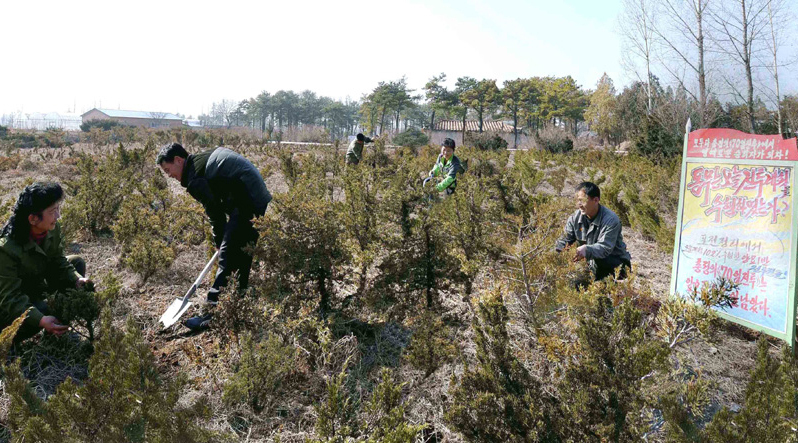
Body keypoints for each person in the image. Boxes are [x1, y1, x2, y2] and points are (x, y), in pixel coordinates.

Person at [157, 143, 272, 331]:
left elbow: (215, 212)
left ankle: (212, 313)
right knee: (242, 251)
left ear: (179, 160)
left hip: (247, 198)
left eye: (168, 170)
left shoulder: (195, 178)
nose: (169, 175)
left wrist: (220, 242)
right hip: (256, 195)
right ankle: (237, 302)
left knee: (228, 255)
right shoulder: (199, 161)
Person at [0, 182, 91, 343]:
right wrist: (41, 319)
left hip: (35, 287)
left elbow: (58, 261)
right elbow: (10, 299)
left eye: (57, 209)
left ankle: (57, 330)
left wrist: (77, 279)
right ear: (33, 219)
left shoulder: (51, 227)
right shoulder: (6, 249)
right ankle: (49, 323)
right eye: (52, 211)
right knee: (46, 309)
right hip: (10, 311)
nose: (58, 216)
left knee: (76, 263)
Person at [555, 181, 632, 283]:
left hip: (614, 263)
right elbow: (564, 241)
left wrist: (586, 250)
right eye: (577, 201)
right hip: (590, 262)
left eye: (582, 201)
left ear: (596, 200)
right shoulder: (574, 218)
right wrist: (554, 255)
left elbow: (605, 248)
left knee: (587, 276)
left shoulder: (610, 219)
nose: (579, 205)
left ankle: (607, 286)